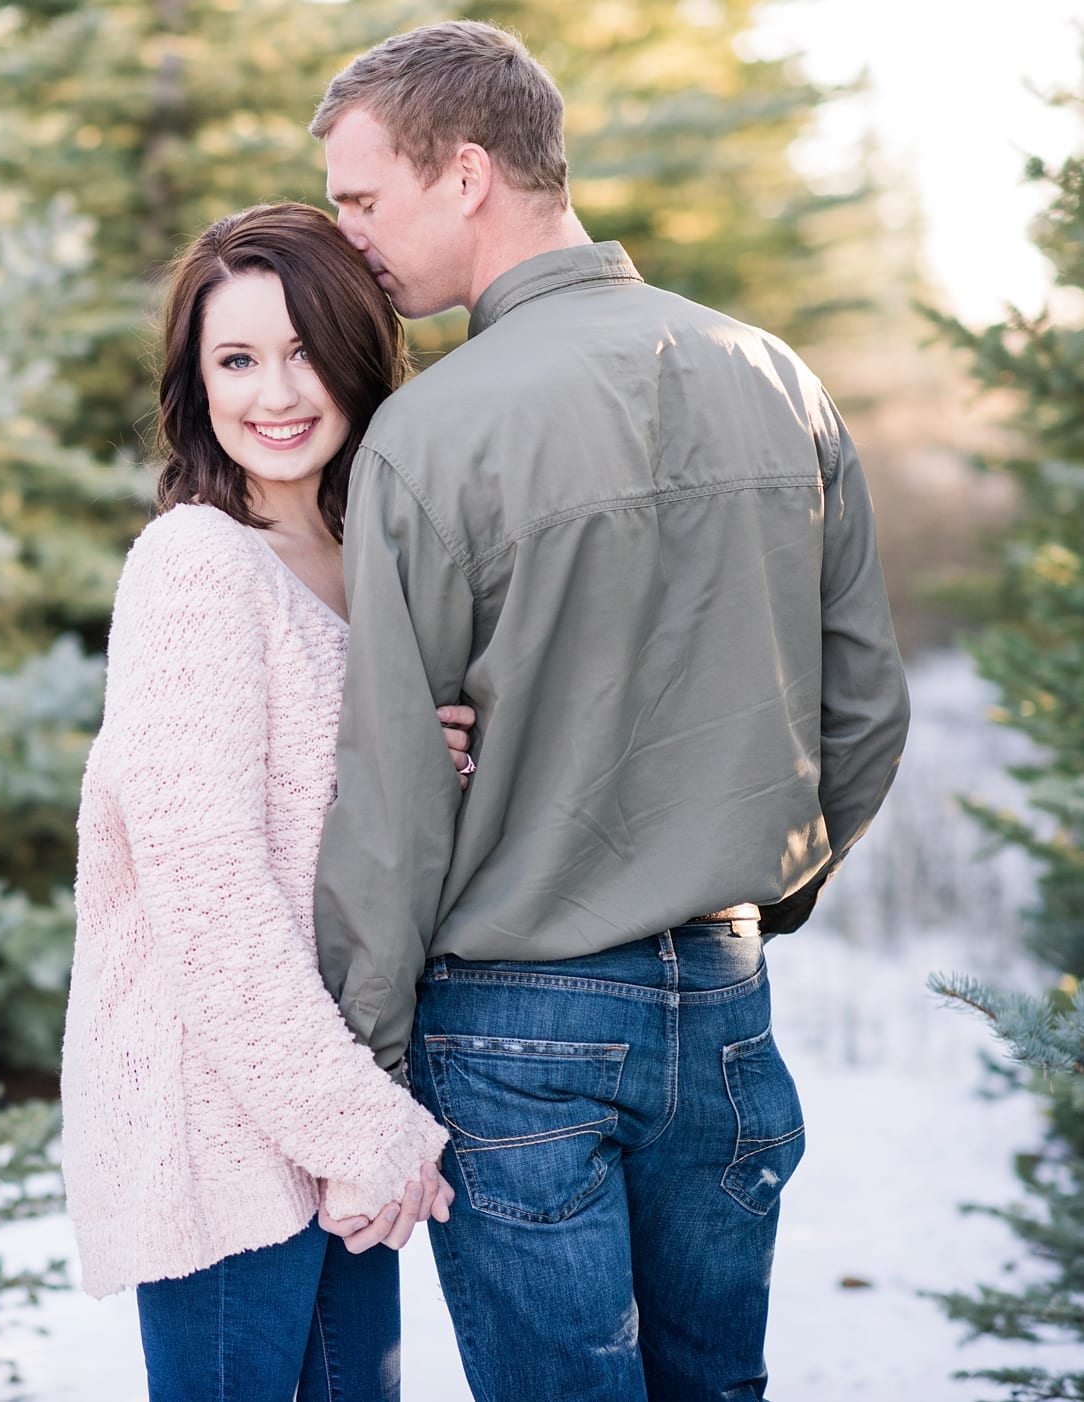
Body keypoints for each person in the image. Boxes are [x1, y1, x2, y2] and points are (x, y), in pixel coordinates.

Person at [306, 21, 913, 1402]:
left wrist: (371, 1064)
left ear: (465, 175)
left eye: (363, 201)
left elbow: (397, 794)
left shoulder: (432, 429)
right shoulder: (779, 377)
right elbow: (866, 710)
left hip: (512, 1024)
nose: (352, 242)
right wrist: (756, 895)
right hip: (727, 1000)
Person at [59, 201, 469, 1402]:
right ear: (196, 380)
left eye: (302, 352)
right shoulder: (196, 565)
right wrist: (363, 1129)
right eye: (236, 359)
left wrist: (438, 756)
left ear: (356, 355)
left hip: (331, 1104)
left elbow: (332, 815)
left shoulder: (370, 557)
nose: (274, 393)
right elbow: (211, 895)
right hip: (226, 1134)